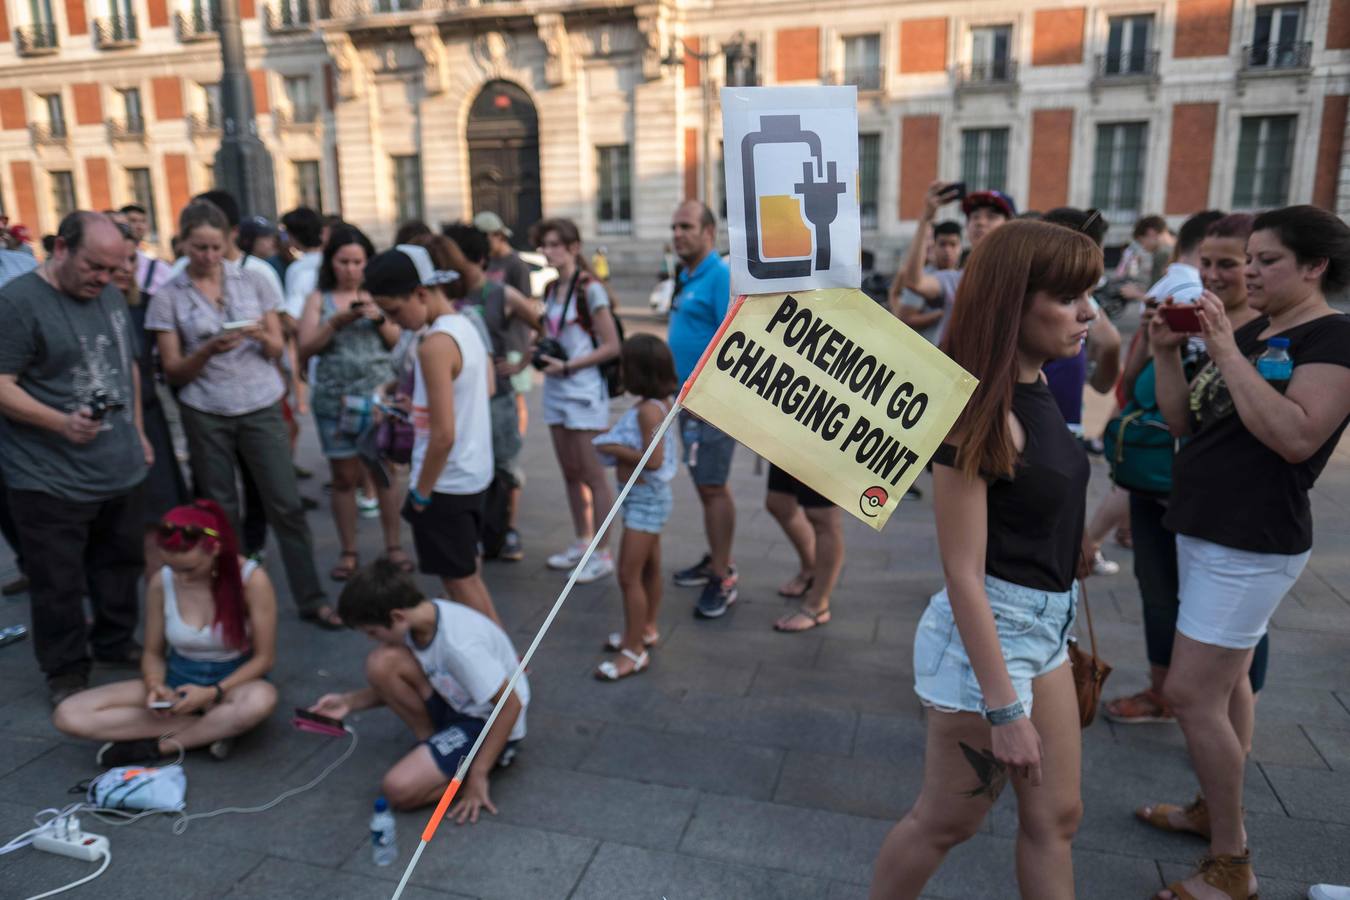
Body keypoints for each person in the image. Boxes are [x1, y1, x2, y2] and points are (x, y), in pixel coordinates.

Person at [870, 221, 1101, 900]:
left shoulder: (1039, 388)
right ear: (1012, 301)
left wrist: (1069, 543)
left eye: (1090, 292)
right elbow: (961, 572)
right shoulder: (979, 414)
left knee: (1058, 816)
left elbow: (1038, 494)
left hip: (1045, 631)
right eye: (1069, 296)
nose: (1089, 311)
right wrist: (1004, 711)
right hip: (988, 644)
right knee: (946, 822)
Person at [1140, 207, 1350, 900]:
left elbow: (1296, 437)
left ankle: (1232, 861)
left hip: (1250, 542)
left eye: (1267, 261)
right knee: (1225, 686)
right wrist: (1169, 354)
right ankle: (1213, 809)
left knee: (1188, 692)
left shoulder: (1333, 338)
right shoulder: (1259, 328)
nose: (1249, 272)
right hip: (1208, 528)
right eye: (1247, 259)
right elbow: (1181, 422)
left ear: (1315, 266)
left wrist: (1227, 349)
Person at [1104, 214, 1271, 728]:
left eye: (1231, 264)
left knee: (1236, 626)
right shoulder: (1188, 317)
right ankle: (1163, 695)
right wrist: (1157, 343)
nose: (1215, 276)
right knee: (1157, 592)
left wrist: (1219, 344)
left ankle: (1232, 717)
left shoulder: (1273, 336)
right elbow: (1151, 401)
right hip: (1160, 482)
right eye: (1207, 264)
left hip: (1228, 507)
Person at [147, 200, 335, 628]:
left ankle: (312, 597)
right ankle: (228, 600)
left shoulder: (253, 280)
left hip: (260, 402)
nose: (208, 257)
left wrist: (256, 335)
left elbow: (275, 346)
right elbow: (174, 371)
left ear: (228, 240)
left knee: (284, 503)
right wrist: (208, 349)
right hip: (205, 408)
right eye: (198, 248)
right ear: (183, 244)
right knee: (219, 510)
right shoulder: (168, 297)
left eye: (215, 247)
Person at [0, 212, 151, 705]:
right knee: (57, 581)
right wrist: (59, 422)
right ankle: (65, 670)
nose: (104, 280)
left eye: (113, 270)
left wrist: (140, 433)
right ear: (61, 247)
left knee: (120, 564)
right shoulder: (18, 303)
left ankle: (112, 641)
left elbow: (124, 361)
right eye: (94, 267)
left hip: (117, 463)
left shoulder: (107, 291)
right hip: (46, 477)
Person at [51, 500, 278, 765]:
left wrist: (213, 693)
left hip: (233, 683)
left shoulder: (251, 579)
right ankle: (212, 729)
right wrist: (155, 686)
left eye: (190, 569)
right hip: (178, 679)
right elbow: (152, 652)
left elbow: (264, 659)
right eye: (173, 567)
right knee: (69, 714)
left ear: (215, 549)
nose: (181, 578)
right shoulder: (162, 581)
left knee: (260, 701)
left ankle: (159, 747)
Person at [308, 559, 528, 817]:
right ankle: (435, 747)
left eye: (372, 632)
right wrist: (349, 702)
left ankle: (471, 767)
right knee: (381, 663)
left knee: (398, 790)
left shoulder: (460, 647)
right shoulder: (422, 618)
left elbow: (510, 705)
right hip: (455, 697)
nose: (371, 639)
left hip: (486, 721)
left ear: (397, 616)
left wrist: (479, 775)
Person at [366, 245, 502, 626]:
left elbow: (443, 435)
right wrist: (419, 407)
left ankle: (508, 676)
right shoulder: (462, 326)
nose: (392, 321)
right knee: (464, 577)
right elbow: (480, 390)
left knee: (462, 584)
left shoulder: (433, 345)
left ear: (421, 294)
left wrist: (420, 494)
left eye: (393, 311)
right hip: (472, 474)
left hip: (445, 483)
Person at [296, 225, 409, 579]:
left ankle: (394, 547)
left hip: (377, 402)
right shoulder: (319, 298)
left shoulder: (380, 296)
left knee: (383, 473)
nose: (350, 269)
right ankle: (348, 551)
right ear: (332, 263)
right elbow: (306, 347)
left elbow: (398, 343)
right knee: (343, 478)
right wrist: (335, 322)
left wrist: (377, 318)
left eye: (358, 262)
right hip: (334, 399)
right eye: (343, 261)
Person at [442, 223, 540, 562]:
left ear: (479, 260)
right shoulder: (448, 297)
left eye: (459, 263)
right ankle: (481, 529)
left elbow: (543, 326)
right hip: (461, 397)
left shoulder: (501, 294)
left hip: (497, 397)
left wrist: (522, 362)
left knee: (505, 464)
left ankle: (508, 530)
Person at [531, 217, 620, 585]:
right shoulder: (551, 288)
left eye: (554, 244)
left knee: (593, 474)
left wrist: (569, 365)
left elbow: (613, 346)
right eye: (544, 244)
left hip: (582, 390)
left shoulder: (590, 289)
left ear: (573, 247)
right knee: (570, 471)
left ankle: (603, 552)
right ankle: (583, 541)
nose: (548, 251)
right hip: (556, 387)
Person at [664, 201, 738, 617]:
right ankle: (716, 558)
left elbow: (734, 343)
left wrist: (711, 401)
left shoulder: (719, 277)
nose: (678, 233)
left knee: (714, 488)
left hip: (711, 408)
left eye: (686, 226)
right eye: (674, 226)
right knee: (705, 486)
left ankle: (723, 575)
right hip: (687, 406)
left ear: (709, 232)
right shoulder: (688, 274)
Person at [592, 334, 679, 680]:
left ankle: (633, 651)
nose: (621, 372)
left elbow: (653, 460)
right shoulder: (656, 404)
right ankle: (645, 629)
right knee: (648, 569)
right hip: (645, 500)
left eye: (626, 366)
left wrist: (613, 448)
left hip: (645, 502)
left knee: (628, 575)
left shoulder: (647, 410)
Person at [112, 221, 189, 581]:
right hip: (110, 427)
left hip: (149, 419)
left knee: (160, 514)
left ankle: (164, 599)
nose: (127, 269)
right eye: (118, 261)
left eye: (132, 259)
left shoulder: (142, 307)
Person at [896, 184, 1015, 344]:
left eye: (992, 216)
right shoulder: (956, 280)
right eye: (974, 216)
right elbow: (914, 283)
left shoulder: (1019, 280)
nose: (980, 222)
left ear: (1011, 225)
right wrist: (926, 218)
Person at [764, 464, 845, 634]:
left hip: (824, 445)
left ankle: (818, 606)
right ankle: (811, 571)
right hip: (797, 439)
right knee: (778, 501)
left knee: (823, 517)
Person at [890, 220, 961, 345]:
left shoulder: (962, 277)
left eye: (953, 245)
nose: (947, 251)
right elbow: (905, 318)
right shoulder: (922, 278)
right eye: (942, 244)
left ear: (960, 247)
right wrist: (941, 314)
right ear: (934, 246)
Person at [280, 207, 327, 324]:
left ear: (294, 236)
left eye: (286, 234)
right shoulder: (329, 259)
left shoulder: (297, 268)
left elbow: (292, 313)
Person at [119, 204, 172, 300]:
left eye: (143, 221)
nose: (139, 226)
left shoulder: (159, 267)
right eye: (133, 221)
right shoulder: (108, 262)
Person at [474, 211, 532, 297]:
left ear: (499, 235)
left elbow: (525, 302)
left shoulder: (517, 264)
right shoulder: (482, 261)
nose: (481, 244)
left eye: (484, 238)